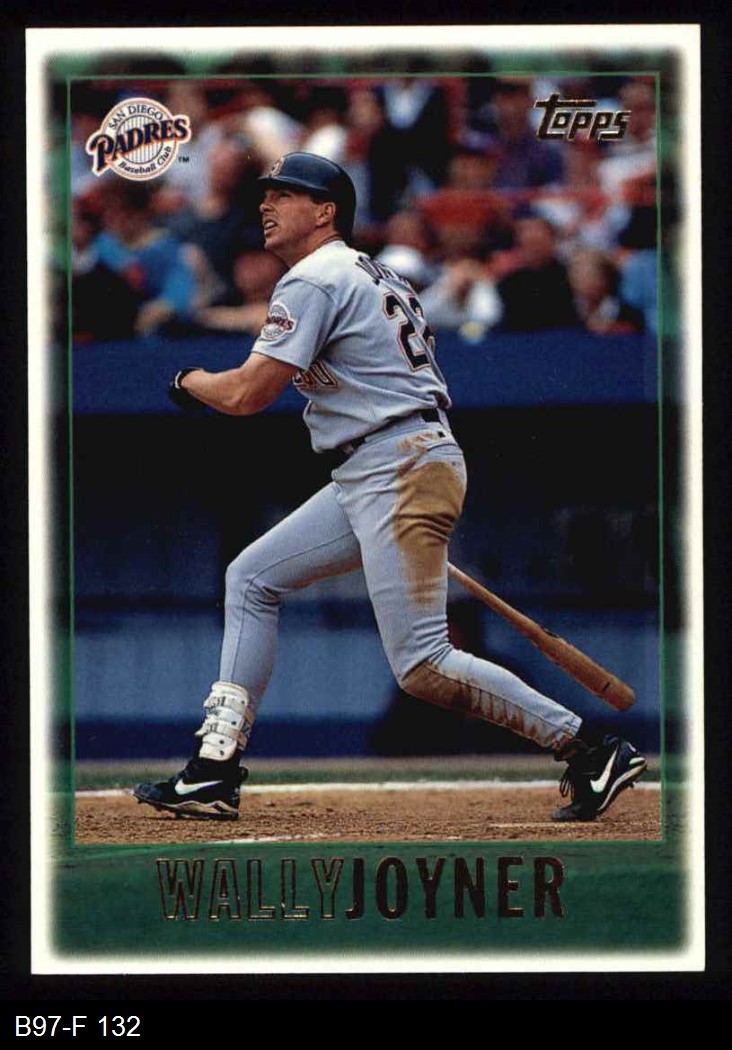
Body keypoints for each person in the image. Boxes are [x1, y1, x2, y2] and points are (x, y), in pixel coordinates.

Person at [133, 152, 646, 824]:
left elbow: (247, 394)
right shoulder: (373, 273)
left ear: (325, 212)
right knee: (252, 577)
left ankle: (590, 747)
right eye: (267, 195)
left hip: (396, 462)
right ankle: (215, 768)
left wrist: (189, 380)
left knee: (423, 665)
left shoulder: (312, 278)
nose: (266, 206)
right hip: (383, 463)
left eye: (285, 195)